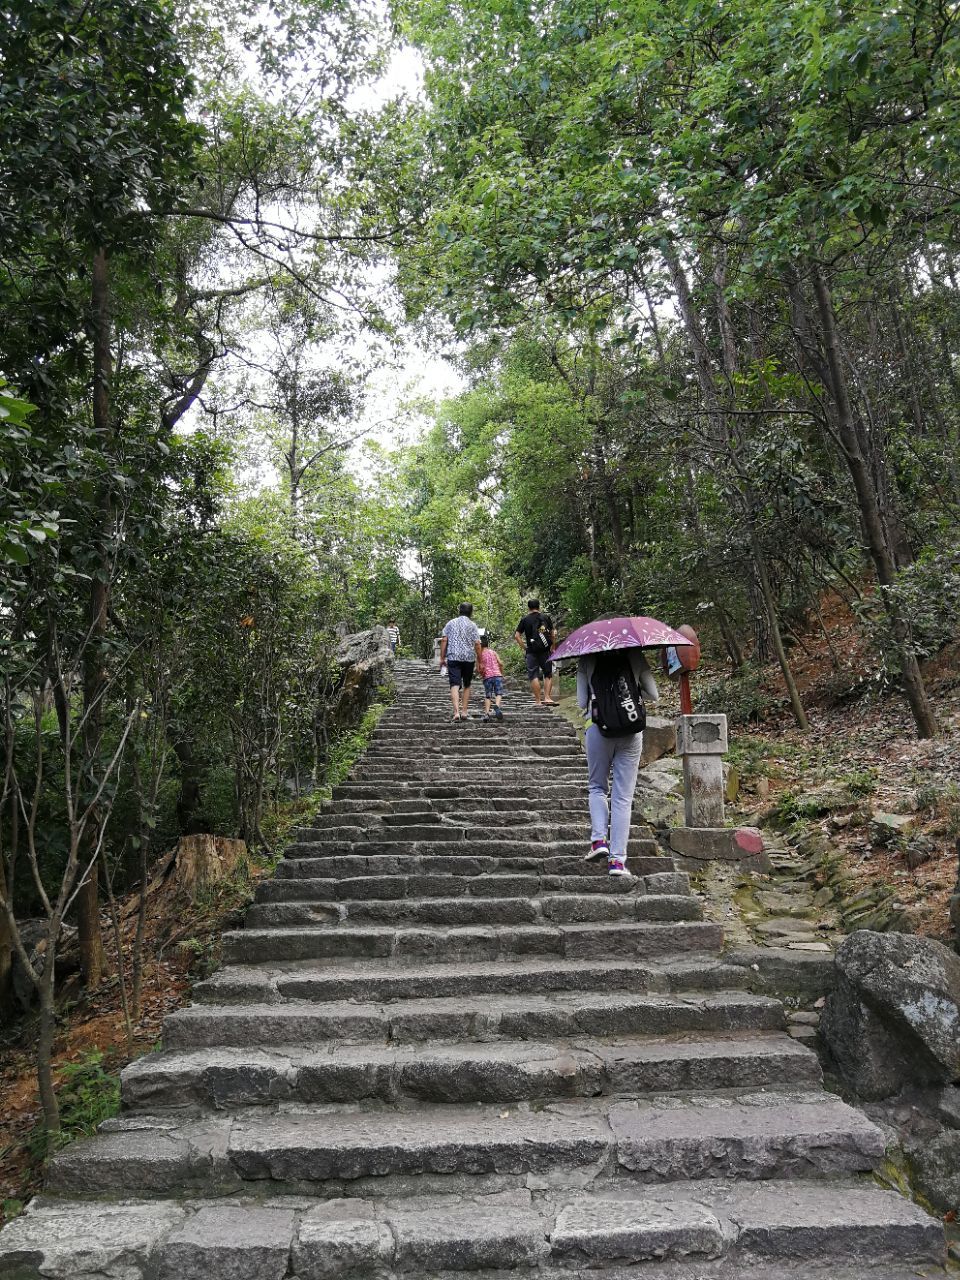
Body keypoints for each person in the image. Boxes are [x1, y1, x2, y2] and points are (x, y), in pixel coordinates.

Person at [577, 648, 658, 878]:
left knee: (597, 787)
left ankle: (598, 841)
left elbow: (582, 702)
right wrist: (629, 692)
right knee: (622, 798)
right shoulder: (634, 655)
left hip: (597, 728)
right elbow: (654, 694)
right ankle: (617, 862)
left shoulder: (587, 657)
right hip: (631, 731)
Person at [439, 603, 483, 722]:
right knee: (467, 684)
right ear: (471, 612)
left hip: (453, 657)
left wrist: (442, 658)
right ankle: (464, 711)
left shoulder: (450, 623)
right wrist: (480, 660)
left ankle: (456, 712)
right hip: (468, 658)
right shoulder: (473, 625)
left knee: (454, 684)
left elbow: (444, 639)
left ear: (459, 611)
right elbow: (478, 644)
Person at [514, 598, 557, 706]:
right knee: (548, 674)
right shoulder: (545, 617)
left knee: (533, 675)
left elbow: (517, 635)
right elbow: (552, 633)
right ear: (539, 606)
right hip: (545, 650)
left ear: (529, 608)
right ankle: (547, 698)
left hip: (531, 651)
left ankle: (538, 701)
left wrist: (524, 647)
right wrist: (553, 645)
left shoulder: (525, 619)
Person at [477, 635, 505, 721]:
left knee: (488, 696)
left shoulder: (479, 655)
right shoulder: (493, 652)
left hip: (487, 677)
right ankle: (496, 705)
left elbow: (479, 669)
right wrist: (501, 672)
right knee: (499, 693)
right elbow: (500, 663)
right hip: (497, 675)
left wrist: (480, 673)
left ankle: (487, 714)